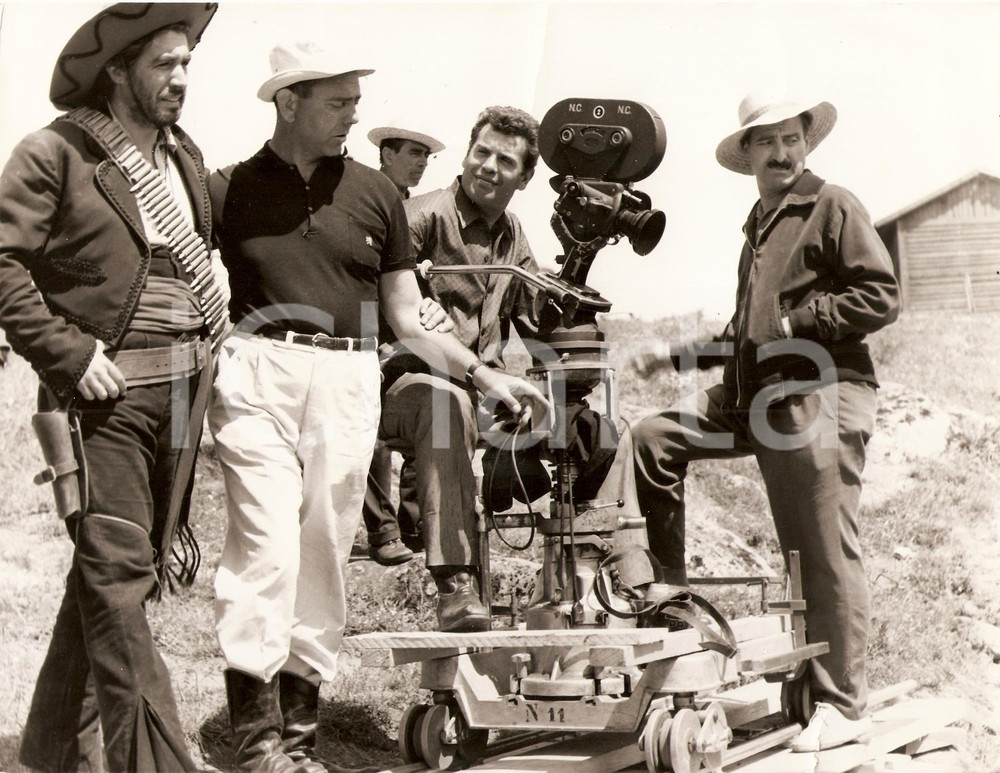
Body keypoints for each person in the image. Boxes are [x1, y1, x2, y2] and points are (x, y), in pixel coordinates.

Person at [207, 43, 547, 773]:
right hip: (258, 367)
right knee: (263, 548)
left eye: (356, 102)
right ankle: (258, 743)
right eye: (338, 102)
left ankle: (298, 742)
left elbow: (407, 316)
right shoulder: (226, 188)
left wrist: (485, 378)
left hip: (348, 376)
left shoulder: (374, 194)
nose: (353, 116)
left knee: (325, 551)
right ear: (288, 101)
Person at [630, 93, 900, 752]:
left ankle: (841, 701)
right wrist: (677, 353)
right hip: (755, 395)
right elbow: (746, 333)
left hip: (819, 390)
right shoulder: (758, 222)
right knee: (652, 437)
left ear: (805, 142)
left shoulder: (832, 204)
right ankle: (671, 601)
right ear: (747, 153)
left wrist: (800, 322)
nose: (782, 153)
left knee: (820, 548)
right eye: (767, 141)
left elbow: (881, 293)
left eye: (791, 139)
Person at [0, 4, 219, 771]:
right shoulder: (54, 152)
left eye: (187, 63)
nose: (181, 79)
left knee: (110, 574)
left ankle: (51, 753)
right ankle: (160, 763)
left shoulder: (185, 159)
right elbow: (2, 264)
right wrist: (64, 352)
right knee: (120, 577)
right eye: (164, 64)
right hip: (103, 403)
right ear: (117, 70)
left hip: (181, 396)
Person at [377, 105, 542, 633]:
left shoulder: (512, 235)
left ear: (525, 177)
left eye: (506, 161)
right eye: (482, 152)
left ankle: (595, 579)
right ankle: (454, 586)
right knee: (444, 406)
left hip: (481, 393)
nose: (490, 166)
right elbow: (375, 306)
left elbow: (540, 318)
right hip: (403, 386)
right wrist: (415, 298)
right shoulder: (420, 216)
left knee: (595, 427)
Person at [362, 125, 447, 566]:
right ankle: (383, 531)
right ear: (386, 153)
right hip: (365, 328)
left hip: (404, 334)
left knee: (431, 411)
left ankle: (416, 528)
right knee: (366, 429)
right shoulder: (364, 196)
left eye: (426, 157)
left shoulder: (416, 211)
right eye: (414, 153)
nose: (421, 163)